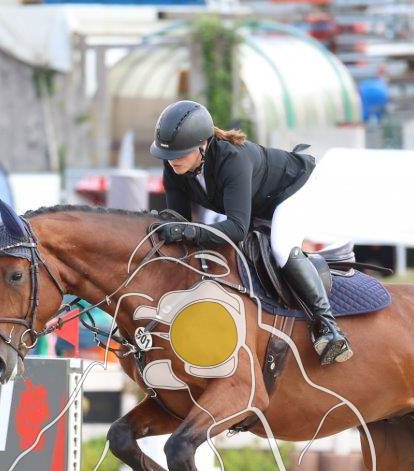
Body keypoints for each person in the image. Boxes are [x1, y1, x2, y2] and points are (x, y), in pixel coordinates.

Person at [149, 100, 352, 365]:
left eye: (181, 153)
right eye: (168, 155)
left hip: (295, 190)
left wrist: (185, 231)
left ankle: (329, 329)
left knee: (281, 248)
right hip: (260, 203)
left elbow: (236, 228)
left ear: (203, 145)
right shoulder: (174, 166)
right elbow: (179, 222)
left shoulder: (233, 160)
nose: (173, 160)